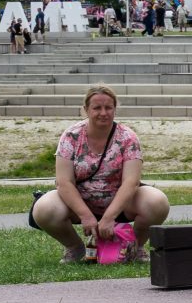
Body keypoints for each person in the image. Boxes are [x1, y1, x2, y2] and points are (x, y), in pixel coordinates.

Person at [32, 86, 169, 264]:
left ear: (115, 109)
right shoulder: (71, 136)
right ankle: (75, 248)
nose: (103, 113)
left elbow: (131, 182)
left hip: (121, 203)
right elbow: (63, 182)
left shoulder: (128, 137)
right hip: (80, 202)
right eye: (97, 108)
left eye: (108, 107)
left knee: (157, 202)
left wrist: (110, 217)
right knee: (44, 208)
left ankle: (135, 247)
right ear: (86, 110)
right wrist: (85, 215)